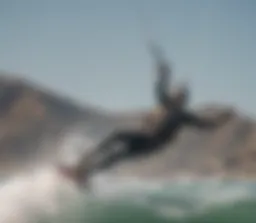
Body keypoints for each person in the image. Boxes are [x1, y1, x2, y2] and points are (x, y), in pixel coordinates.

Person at [68, 43, 233, 184]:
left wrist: (221, 120)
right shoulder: (166, 103)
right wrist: (164, 74)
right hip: (145, 137)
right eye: (177, 93)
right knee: (116, 139)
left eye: (181, 96)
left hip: (152, 143)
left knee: (118, 155)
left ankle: (85, 173)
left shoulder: (183, 116)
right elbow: (160, 89)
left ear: (183, 100)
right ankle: (82, 168)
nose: (177, 96)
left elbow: (205, 124)